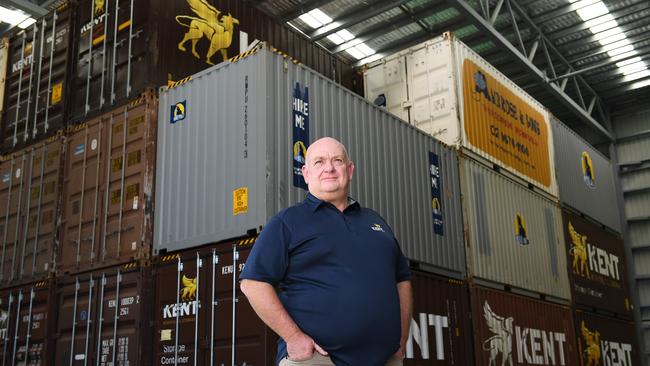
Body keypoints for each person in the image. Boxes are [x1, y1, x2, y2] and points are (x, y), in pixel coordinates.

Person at [240, 137, 413, 366]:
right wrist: (294, 337)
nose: (329, 168)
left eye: (337, 160)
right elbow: (252, 283)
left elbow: (402, 281)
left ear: (349, 170)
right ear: (306, 173)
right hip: (317, 359)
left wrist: (400, 341)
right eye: (319, 162)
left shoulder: (376, 221)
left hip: (385, 360)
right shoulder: (288, 221)